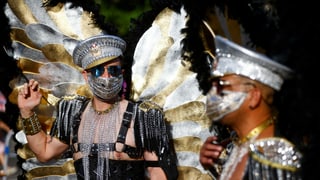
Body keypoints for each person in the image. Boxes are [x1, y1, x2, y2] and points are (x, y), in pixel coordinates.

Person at [17, 34, 178, 180]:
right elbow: (44, 153)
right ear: (86, 76)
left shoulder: (144, 116)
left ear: (121, 73)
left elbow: (158, 174)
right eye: (98, 70)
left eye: (113, 70)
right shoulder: (73, 113)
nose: (106, 77)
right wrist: (26, 111)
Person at [199, 35, 302, 179]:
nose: (212, 93)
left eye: (221, 85)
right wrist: (214, 168)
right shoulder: (238, 149)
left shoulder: (275, 158)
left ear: (254, 96)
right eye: (213, 86)